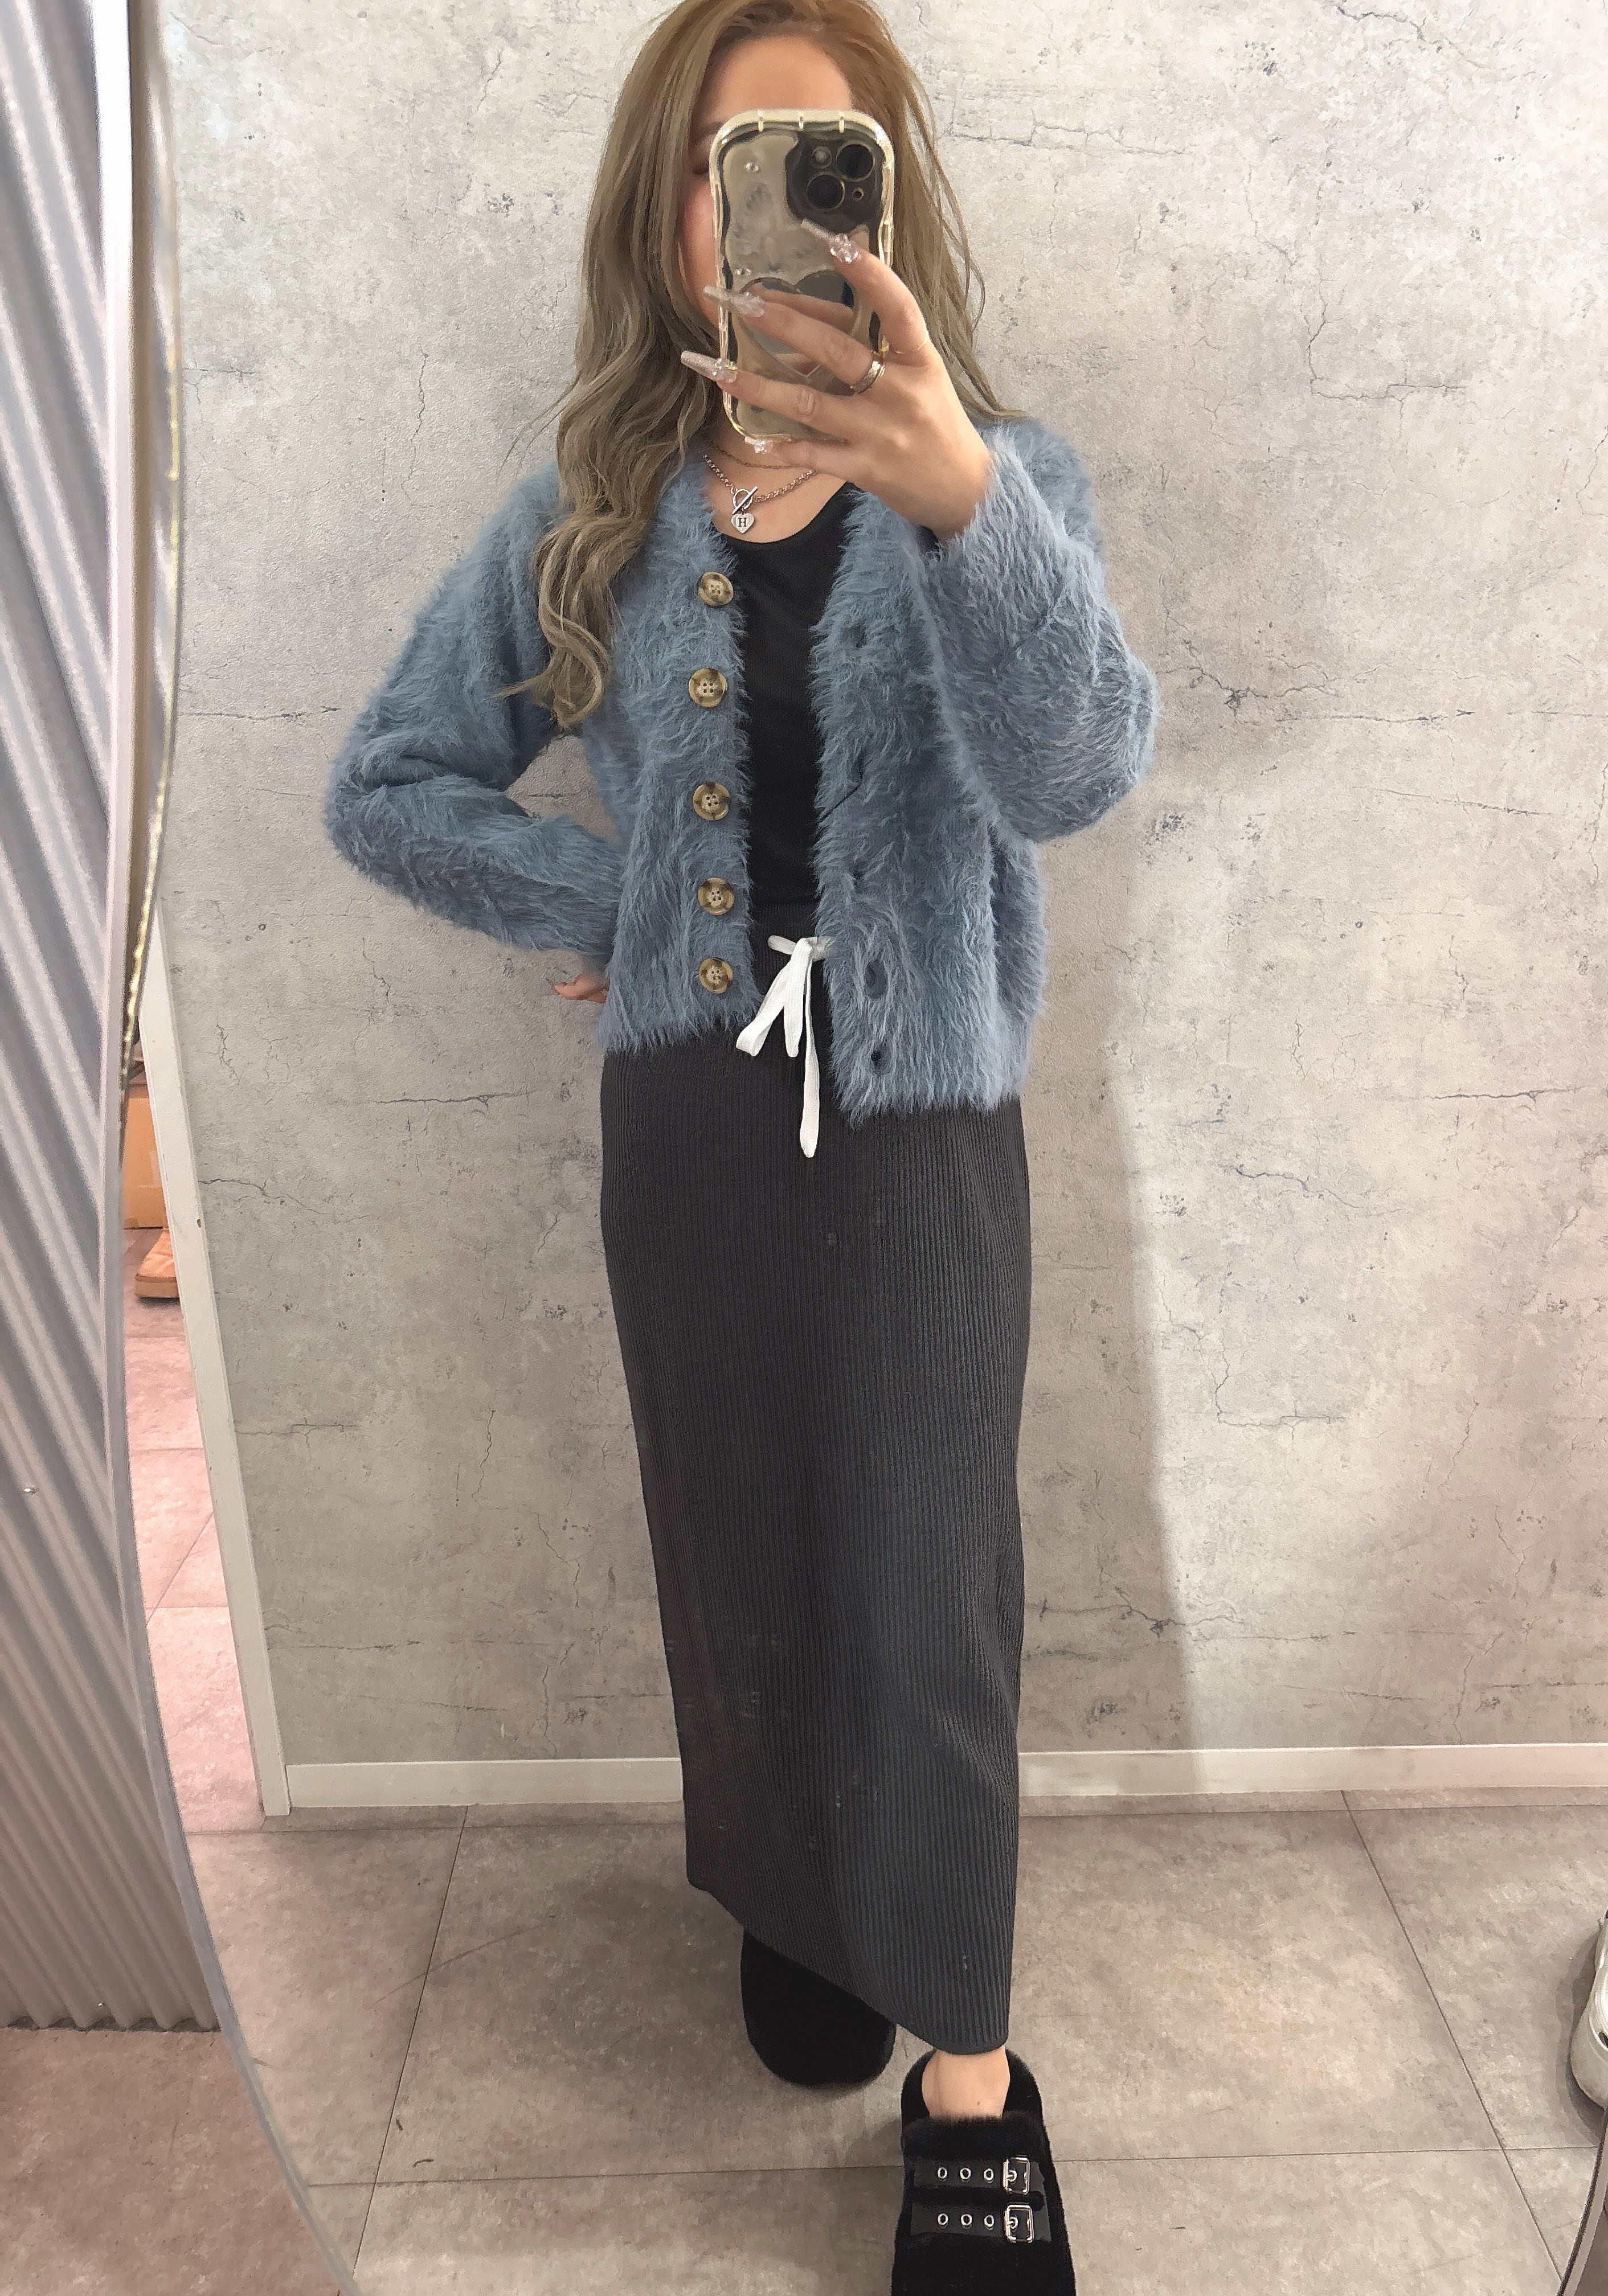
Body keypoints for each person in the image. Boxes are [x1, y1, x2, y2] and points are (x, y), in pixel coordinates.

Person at [322, 2, 1159, 2285]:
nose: (772, 201)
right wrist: (610, 909)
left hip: (919, 1133)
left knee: (926, 1593)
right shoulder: (596, 508)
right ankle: (805, 1905)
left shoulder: (1004, 475)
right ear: (667, 208)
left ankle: (971, 2076)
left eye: (823, 154)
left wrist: (954, 496)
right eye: (730, 161)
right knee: (742, 1556)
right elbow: (389, 785)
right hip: (691, 1120)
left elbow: (1078, 773)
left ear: (885, 196)